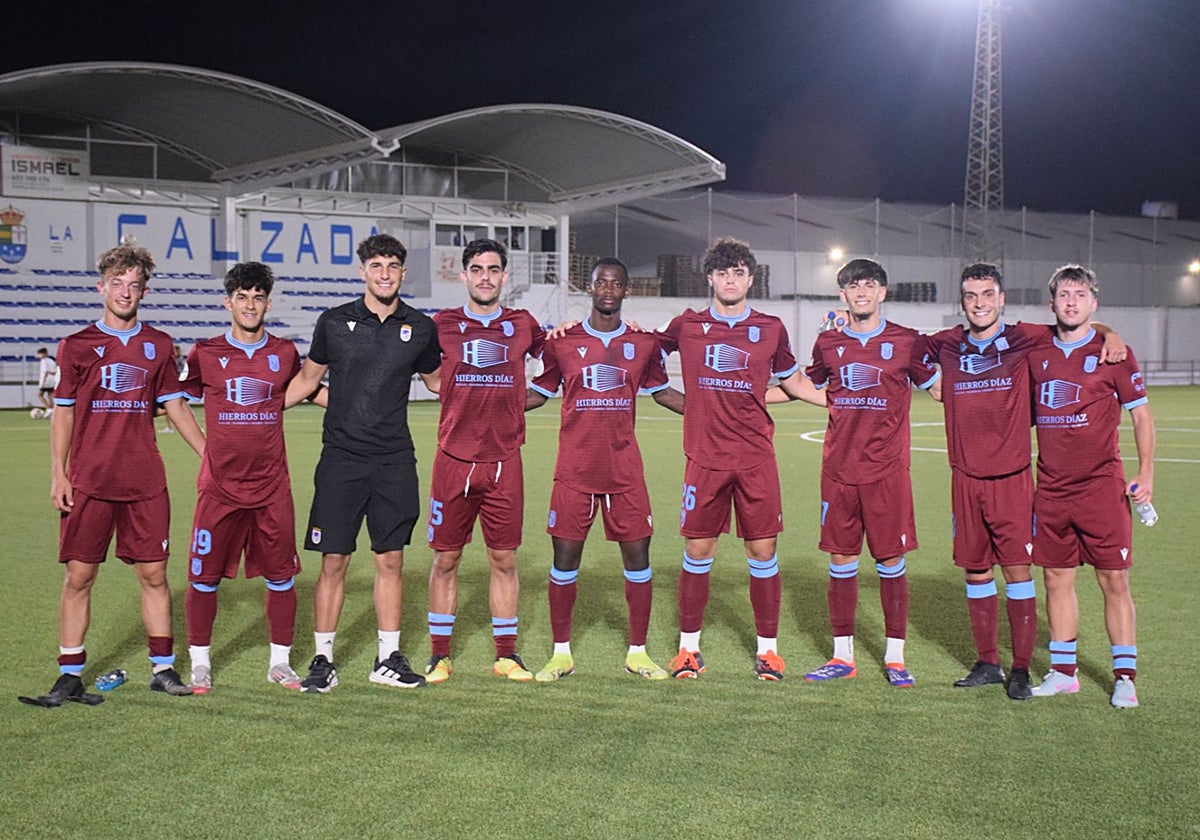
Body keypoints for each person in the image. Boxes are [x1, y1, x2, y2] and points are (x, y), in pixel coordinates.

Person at [922, 263, 1126, 700]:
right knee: (976, 571)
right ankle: (987, 662)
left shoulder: (1025, 337)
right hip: (964, 475)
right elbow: (904, 349)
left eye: (988, 294)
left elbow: (1075, 322)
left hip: (1012, 476)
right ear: (962, 301)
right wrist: (930, 383)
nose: (980, 303)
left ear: (1002, 299)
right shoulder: (947, 344)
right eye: (972, 295)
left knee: (1017, 570)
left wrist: (1110, 333)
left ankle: (1019, 667)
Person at [19, 243, 206, 707]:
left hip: (144, 481)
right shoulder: (77, 345)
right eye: (117, 284)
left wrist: (209, 454)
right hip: (89, 480)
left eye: (134, 285)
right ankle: (69, 675)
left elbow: (175, 405)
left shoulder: (159, 345)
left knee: (154, 575)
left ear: (144, 290)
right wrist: (58, 474)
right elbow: (62, 414)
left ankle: (162, 669)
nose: (125, 292)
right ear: (102, 287)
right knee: (79, 576)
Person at [658, 237, 825, 681]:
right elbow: (645, 363)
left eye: (738, 273)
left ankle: (768, 650)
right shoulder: (687, 325)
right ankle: (688, 650)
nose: (729, 280)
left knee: (763, 551)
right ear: (709, 278)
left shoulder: (770, 328)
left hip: (755, 457)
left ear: (750, 279)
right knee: (698, 549)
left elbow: (793, 382)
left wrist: (837, 402)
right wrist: (686, 403)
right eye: (722, 272)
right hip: (705, 457)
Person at [284, 234, 441, 692]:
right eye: (377, 265)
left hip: (394, 459)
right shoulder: (333, 322)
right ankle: (322, 658)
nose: (385, 273)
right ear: (362, 271)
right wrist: (257, 414)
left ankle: (387, 658)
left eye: (393, 265)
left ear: (403, 272)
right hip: (341, 458)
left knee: (390, 558)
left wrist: (490, 383)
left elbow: (438, 381)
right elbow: (306, 380)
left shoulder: (421, 327)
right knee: (334, 560)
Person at [526, 257, 685, 682]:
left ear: (626, 291)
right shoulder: (562, 342)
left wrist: (714, 411)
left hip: (625, 471)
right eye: (601, 282)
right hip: (575, 471)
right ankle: (561, 654)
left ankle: (638, 652)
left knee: (638, 559)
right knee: (564, 560)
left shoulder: (644, 344)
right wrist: (483, 404)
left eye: (617, 283)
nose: (609, 289)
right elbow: (539, 394)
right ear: (590, 288)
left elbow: (663, 392)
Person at [802, 258, 939, 688]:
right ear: (842, 295)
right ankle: (842, 656)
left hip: (887, 472)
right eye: (852, 286)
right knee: (841, 560)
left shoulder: (907, 342)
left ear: (882, 292)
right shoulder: (828, 343)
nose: (861, 292)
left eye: (869, 285)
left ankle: (895, 658)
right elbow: (810, 385)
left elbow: (936, 387)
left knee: (891, 561)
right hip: (838, 471)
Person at [1027, 264, 1154, 709]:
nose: (1072, 301)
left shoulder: (1113, 354)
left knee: (1113, 580)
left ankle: (1124, 677)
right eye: (1064, 294)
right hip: (1052, 490)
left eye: (1080, 295)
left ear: (1093, 302)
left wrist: (1148, 472)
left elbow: (1140, 415)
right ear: (1052, 303)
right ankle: (1064, 672)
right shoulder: (1036, 347)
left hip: (1101, 488)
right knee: (1056, 579)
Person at [422, 238, 546, 683]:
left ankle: (507, 655)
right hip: (453, 459)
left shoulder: (523, 324)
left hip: (503, 460)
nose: (485, 277)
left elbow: (558, 358)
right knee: (446, 560)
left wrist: (526, 400)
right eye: (477, 269)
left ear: (505, 277)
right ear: (464, 275)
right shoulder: (442, 324)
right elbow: (428, 373)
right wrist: (444, 385)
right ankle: (439, 656)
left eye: (494, 269)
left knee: (504, 560)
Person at [179, 262, 303, 693]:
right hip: (219, 488)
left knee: (282, 575)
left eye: (258, 297)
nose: (250, 305)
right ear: (227, 302)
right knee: (203, 576)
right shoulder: (205, 352)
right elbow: (176, 401)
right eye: (242, 297)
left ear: (269, 302)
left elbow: (304, 390)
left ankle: (281, 663)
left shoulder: (285, 353)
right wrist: (205, 450)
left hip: (272, 486)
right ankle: (199, 663)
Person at [160, 344, 187, 433]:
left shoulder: (180, 361)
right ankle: (169, 427)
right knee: (168, 407)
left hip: (177, 387)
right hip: (172, 387)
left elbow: (183, 372)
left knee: (177, 407)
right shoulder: (172, 360)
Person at [35, 347, 58, 415]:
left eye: (40, 354)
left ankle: (48, 408)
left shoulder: (44, 361)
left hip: (46, 381)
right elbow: (55, 372)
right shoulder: (52, 361)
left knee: (40, 395)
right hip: (52, 380)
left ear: (44, 354)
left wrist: (42, 383)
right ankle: (52, 409)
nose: (39, 356)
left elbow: (45, 372)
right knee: (50, 395)